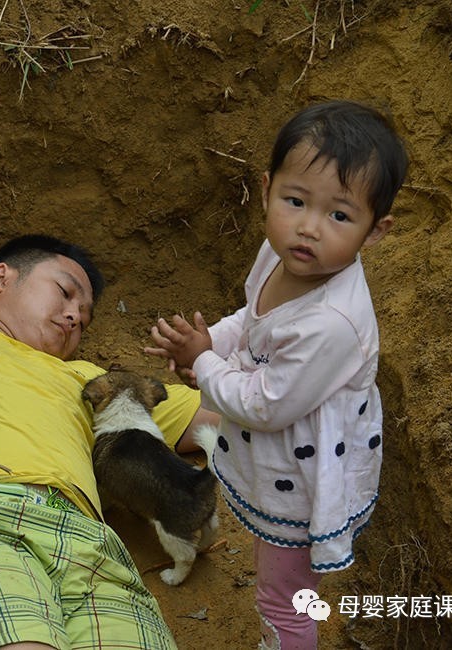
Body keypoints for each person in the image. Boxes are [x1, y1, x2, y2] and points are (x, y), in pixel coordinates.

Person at [0, 187, 218, 650]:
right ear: (1, 275)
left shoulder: (95, 383)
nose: (75, 315)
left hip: (93, 549)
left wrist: (214, 367)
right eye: (64, 292)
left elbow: (232, 418)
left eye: (86, 317)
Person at [144, 100, 409, 649]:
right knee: (279, 588)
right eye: (294, 201)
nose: (308, 228)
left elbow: (266, 404)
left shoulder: (332, 323)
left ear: (376, 231)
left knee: (284, 602)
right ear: (267, 190)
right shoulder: (278, 252)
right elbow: (253, 318)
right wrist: (212, 341)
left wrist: (203, 362)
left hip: (306, 478)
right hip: (281, 454)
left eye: (339, 215)